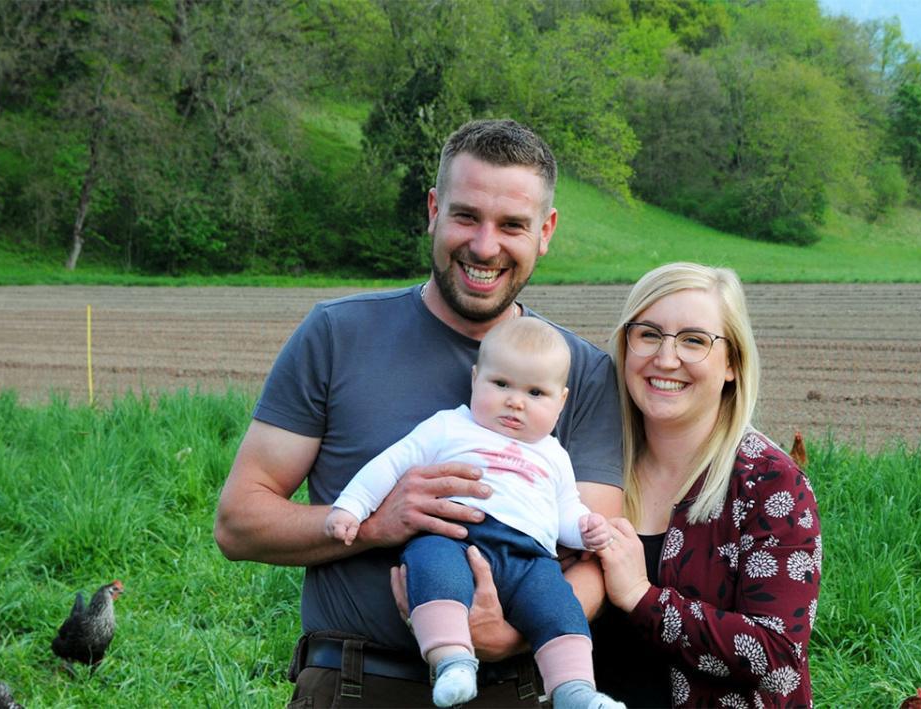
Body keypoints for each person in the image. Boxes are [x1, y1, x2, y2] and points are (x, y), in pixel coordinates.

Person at [214, 119, 624, 708]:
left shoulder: (581, 375)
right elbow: (238, 523)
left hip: (514, 690)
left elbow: (592, 559)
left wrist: (501, 637)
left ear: (546, 231)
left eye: (512, 225)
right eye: (466, 216)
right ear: (433, 209)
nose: (485, 246)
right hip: (355, 683)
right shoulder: (337, 335)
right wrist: (378, 525)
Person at [323, 317, 621, 708]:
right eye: (501, 384)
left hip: (529, 557)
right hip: (454, 535)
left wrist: (585, 531)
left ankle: (574, 690)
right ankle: (453, 663)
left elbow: (565, 509)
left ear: (561, 401)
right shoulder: (450, 426)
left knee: (558, 605)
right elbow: (392, 464)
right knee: (434, 574)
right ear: (476, 378)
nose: (515, 401)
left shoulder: (553, 454)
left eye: (535, 392)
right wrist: (352, 505)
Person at [593, 262, 821, 708]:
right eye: (648, 334)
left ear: (732, 363)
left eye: (694, 340)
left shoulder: (769, 484)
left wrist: (643, 598)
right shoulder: (591, 464)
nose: (665, 358)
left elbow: (776, 656)